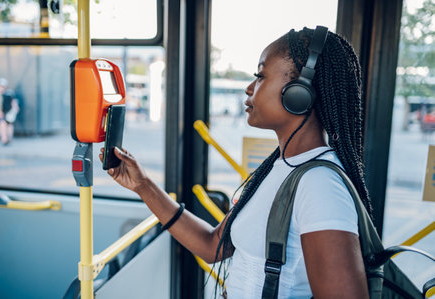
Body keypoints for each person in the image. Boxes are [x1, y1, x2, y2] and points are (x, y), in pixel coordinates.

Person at [100, 26, 370, 298]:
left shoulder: (319, 185)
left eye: (261, 76)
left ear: (299, 92)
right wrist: (143, 185)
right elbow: (211, 244)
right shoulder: (279, 167)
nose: (249, 87)